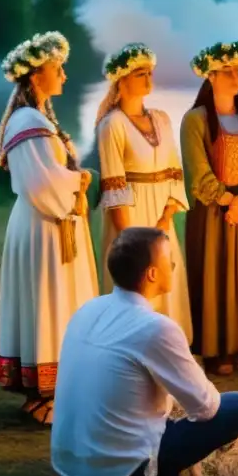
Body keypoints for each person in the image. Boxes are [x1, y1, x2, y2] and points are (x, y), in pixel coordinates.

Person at [50, 226, 238, 476]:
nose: (173, 265)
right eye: (169, 260)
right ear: (152, 274)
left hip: (67, 463)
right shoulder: (156, 328)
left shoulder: (88, 309)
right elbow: (206, 408)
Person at [0, 31, 99, 425]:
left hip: (49, 225)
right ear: (37, 75)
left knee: (53, 305)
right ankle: (45, 395)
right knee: (48, 305)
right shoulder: (29, 120)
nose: (65, 76)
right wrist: (80, 182)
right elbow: (41, 182)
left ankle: (48, 393)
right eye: (59, 69)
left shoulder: (37, 117)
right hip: (45, 227)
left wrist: (74, 181)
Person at [180, 41, 238, 375]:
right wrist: (225, 200)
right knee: (215, 274)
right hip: (212, 212)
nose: (235, 77)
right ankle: (215, 347)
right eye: (228, 71)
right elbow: (197, 169)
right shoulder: (196, 119)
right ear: (210, 76)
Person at [95, 42, 192, 342]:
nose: (149, 79)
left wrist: (166, 218)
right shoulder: (112, 125)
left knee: (165, 278)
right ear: (121, 80)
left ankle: (170, 348)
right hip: (130, 218)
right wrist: (131, 239)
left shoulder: (162, 118)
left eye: (150, 72)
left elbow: (176, 172)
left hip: (161, 216)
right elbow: (114, 184)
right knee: (137, 281)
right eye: (140, 74)